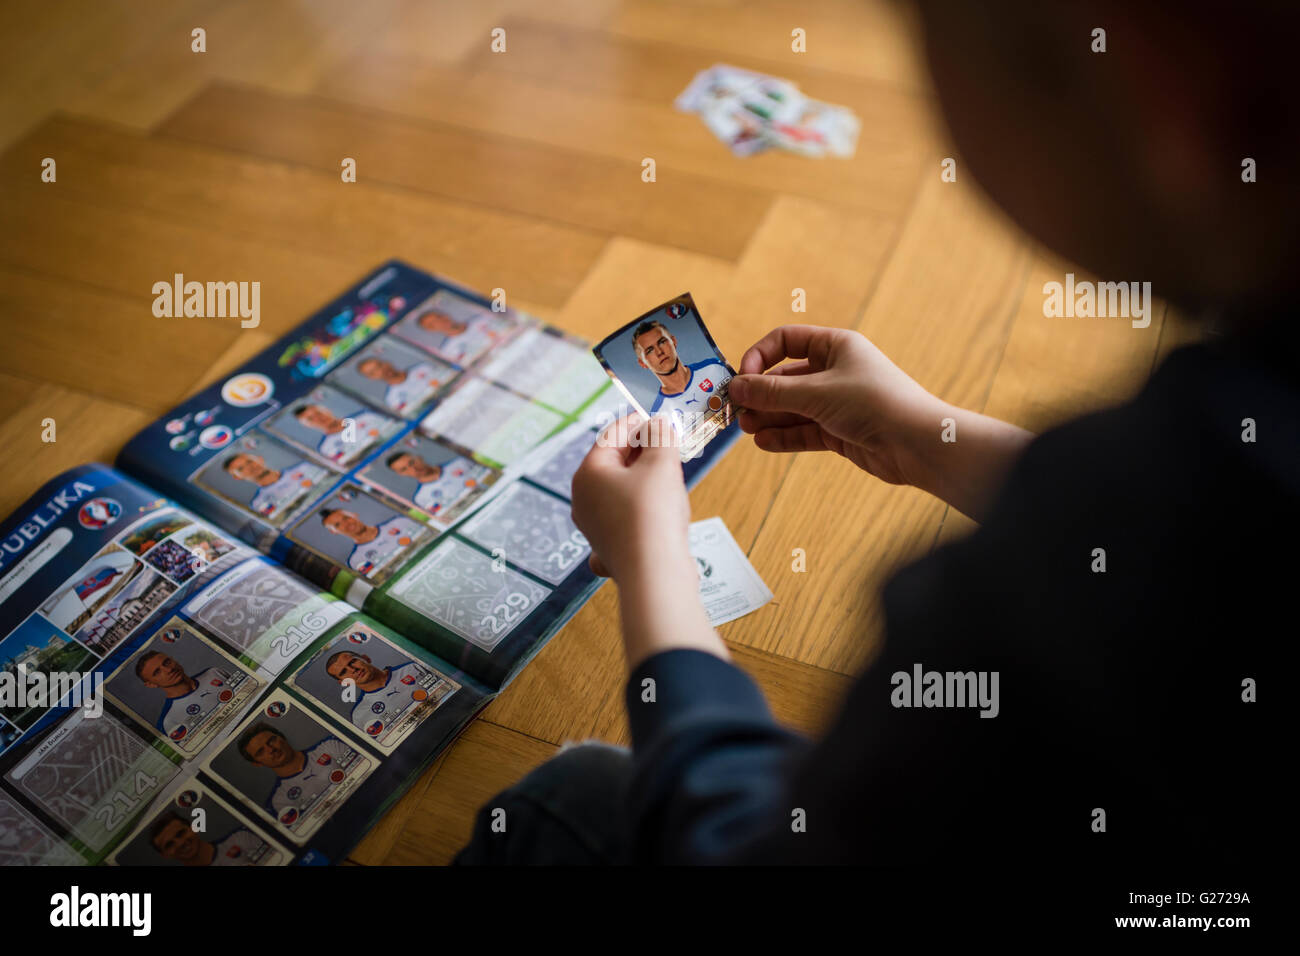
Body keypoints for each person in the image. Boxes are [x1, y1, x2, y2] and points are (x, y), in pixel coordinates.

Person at [455, 1, 1291, 865]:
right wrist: (923, 435)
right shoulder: (1206, 462)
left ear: (1157, 85)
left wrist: (648, 557)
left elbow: (732, 841)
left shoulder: (1022, 600)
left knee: (561, 799)